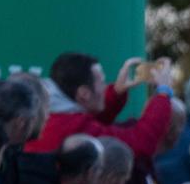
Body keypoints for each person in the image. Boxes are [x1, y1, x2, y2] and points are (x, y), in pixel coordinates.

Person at [29, 52, 175, 159]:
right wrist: (163, 94)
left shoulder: (54, 114)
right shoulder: (72, 126)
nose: (105, 87)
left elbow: (94, 123)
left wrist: (117, 92)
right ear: (84, 93)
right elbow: (140, 142)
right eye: (101, 82)